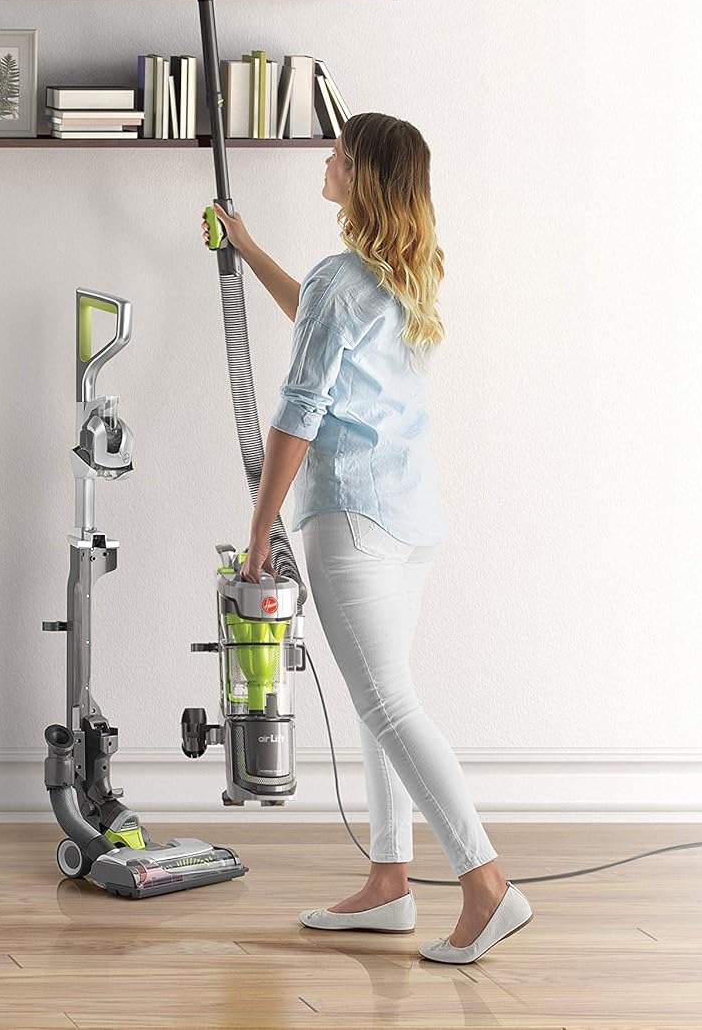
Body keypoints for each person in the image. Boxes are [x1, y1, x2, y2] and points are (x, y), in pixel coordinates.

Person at [204, 111, 532, 964]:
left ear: (362, 176)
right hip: (412, 521)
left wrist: (258, 526)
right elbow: (315, 318)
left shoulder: (339, 282)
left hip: (349, 515)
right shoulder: (401, 276)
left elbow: (297, 412)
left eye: (338, 154)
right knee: (379, 702)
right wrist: (248, 248)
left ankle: (485, 883)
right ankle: (389, 883)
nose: (327, 159)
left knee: (388, 703)